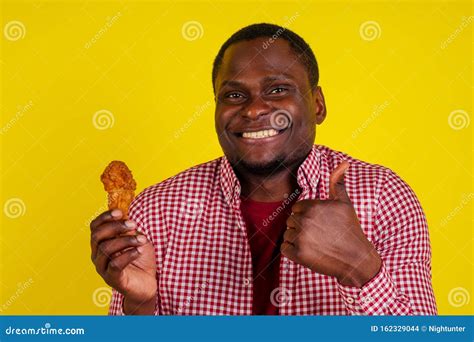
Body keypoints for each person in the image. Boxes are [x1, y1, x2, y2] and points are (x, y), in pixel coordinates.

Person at [90, 23, 437, 315]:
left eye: (278, 89)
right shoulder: (154, 212)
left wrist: (360, 270)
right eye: (235, 95)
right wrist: (140, 304)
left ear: (317, 105)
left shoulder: (383, 198)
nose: (255, 110)